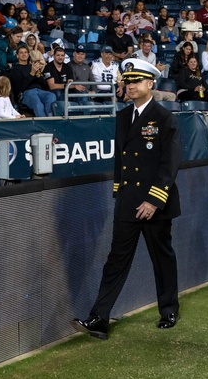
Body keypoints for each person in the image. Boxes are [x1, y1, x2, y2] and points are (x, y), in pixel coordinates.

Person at [72, 59, 183, 339]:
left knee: (162, 258)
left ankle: (169, 309)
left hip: (154, 204)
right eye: (127, 81)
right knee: (115, 260)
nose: (130, 86)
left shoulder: (164, 117)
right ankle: (99, 318)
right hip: (128, 202)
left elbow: (169, 165)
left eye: (136, 81)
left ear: (150, 84)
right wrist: (120, 192)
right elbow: (121, 161)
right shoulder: (123, 117)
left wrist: (154, 200)